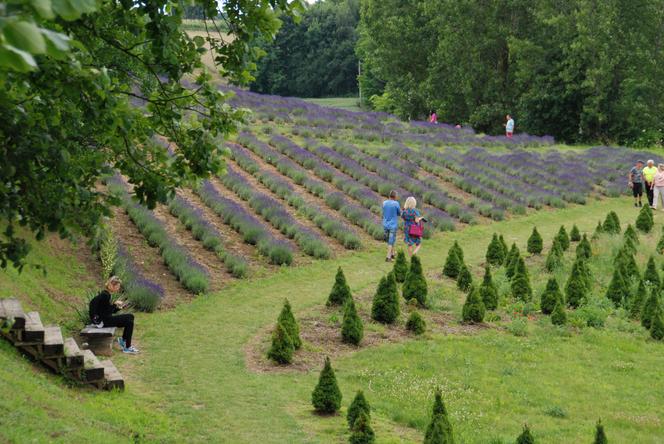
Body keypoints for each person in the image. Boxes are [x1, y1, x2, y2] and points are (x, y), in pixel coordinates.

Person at [89, 276, 139, 354]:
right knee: (130, 318)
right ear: (112, 285)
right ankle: (127, 346)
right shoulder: (105, 296)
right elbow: (105, 313)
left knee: (129, 320)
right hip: (103, 322)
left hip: (104, 320)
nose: (118, 288)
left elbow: (107, 311)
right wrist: (115, 304)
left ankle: (124, 342)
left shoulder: (105, 294)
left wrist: (119, 308)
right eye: (117, 286)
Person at [382, 190, 401, 262]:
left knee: (390, 240)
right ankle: (388, 257)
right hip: (393, 225)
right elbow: (399, 213)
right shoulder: (396, 203)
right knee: (391, 241)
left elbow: (384, 212)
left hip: (385, 224)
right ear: (395, 196)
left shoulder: (384, 203)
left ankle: (392, 254)